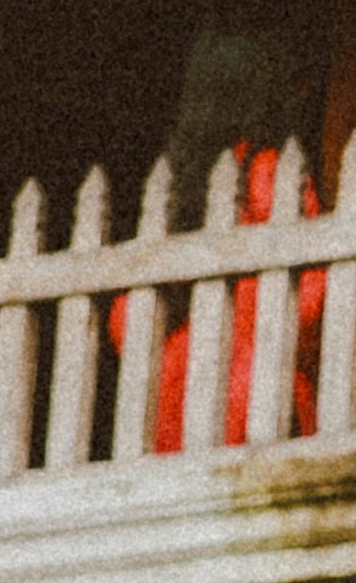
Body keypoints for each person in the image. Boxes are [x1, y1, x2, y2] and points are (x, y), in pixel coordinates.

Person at [137, 25, 322, 455]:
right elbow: (311, 300)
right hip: (251, 375)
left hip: (181, 372)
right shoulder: (268, 170)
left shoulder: (183, 179)